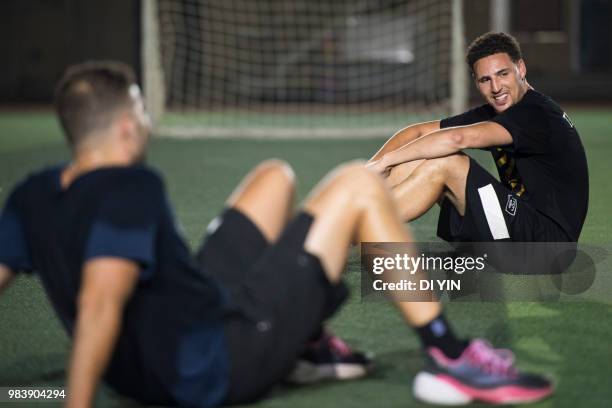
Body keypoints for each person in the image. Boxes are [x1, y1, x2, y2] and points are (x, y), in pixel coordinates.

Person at [0, 61, 552, 407]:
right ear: (125, 127)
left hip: (180, 332)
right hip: (213, 364)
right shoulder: (129, 187)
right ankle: (450, 357)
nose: (146, 125)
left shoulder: (34, 192)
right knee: (357, 185)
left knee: (274, 177)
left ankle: (305, 340)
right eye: (142, 115)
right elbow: (101, 301)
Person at [368, 32, 588, 250]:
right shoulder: (499, 110)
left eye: (503, 74)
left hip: (546, 245)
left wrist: (387, 161)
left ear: (520, 69)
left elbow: (457, 138)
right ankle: (358, 204)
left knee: (448, 162)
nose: (496, 87)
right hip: (515, 222)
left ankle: (357, 223)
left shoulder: (536, 113)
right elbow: (419, 132)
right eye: (486, 79)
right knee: (418, 153)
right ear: (476, 81)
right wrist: (371, 169)